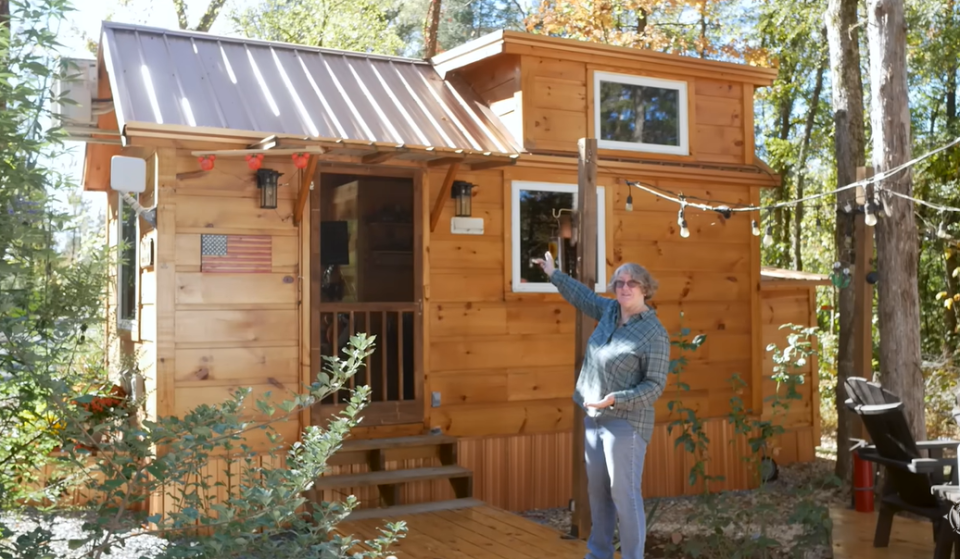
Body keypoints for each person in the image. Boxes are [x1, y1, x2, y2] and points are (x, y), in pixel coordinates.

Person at [534, 253, 670, 559]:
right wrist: (555, 274)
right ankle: (599, 553)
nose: (624, 288)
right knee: (598, 493)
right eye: (619, 282)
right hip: (593, 417)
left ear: (645, 289)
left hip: (626, 424)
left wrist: (616, 399)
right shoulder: (610, 311)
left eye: (632, 283)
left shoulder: (654, 334)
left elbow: (655, 386)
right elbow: (582, 297)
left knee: (624, 495)